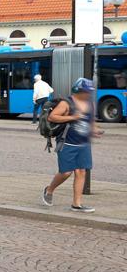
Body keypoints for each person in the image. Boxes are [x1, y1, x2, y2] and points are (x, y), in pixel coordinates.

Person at [41, 77, 103, 213]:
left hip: (83, 143)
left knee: (81, 172)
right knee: (66, 172)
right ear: (78, 91)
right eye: (87, 91)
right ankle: (49, 190)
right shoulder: (66, 103)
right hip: (67, 142)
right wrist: (73, 117)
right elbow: (52, 117)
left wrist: (94, 130)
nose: (89, 94)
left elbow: (90, 121)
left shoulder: (90, 103)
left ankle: (76, 204)